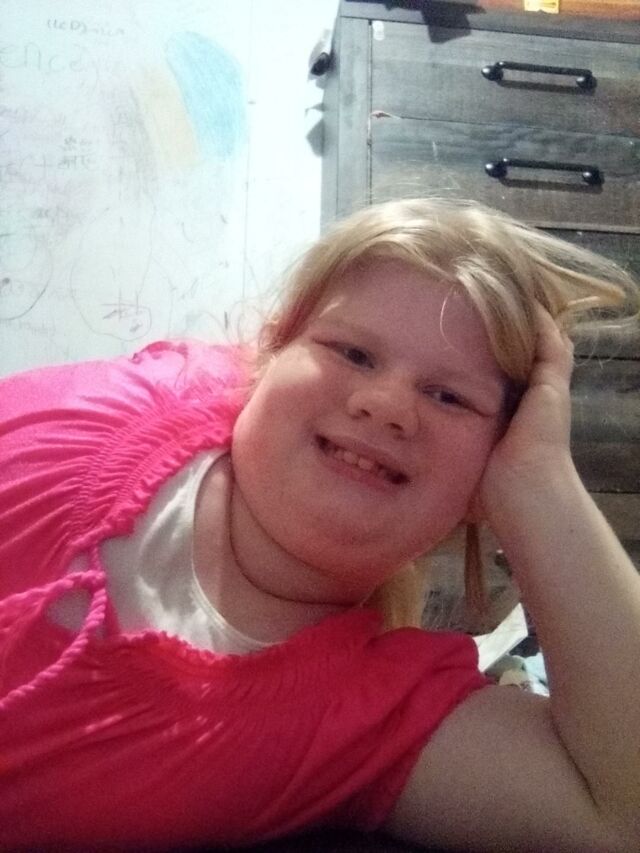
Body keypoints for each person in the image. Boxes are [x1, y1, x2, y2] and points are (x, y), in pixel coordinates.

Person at [1, 198, 639, 853]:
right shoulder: (100, 417)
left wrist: (540, 481)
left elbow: (625, 815)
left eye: (449, 396)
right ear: (271, 351)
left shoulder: (370, 718)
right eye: (354, 353)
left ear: (488, 476)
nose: (386, 405)